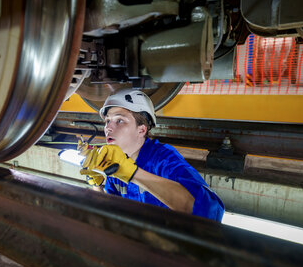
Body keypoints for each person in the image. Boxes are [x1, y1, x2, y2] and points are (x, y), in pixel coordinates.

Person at [79, 89, 224, 222]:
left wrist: (133, 173)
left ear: (141, 130)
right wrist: (96, 185)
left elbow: (210, 214)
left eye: (119, 120)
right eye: (107, 121)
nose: (108, 128)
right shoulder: (113, 162)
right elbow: (112, 211)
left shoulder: (163, 160)